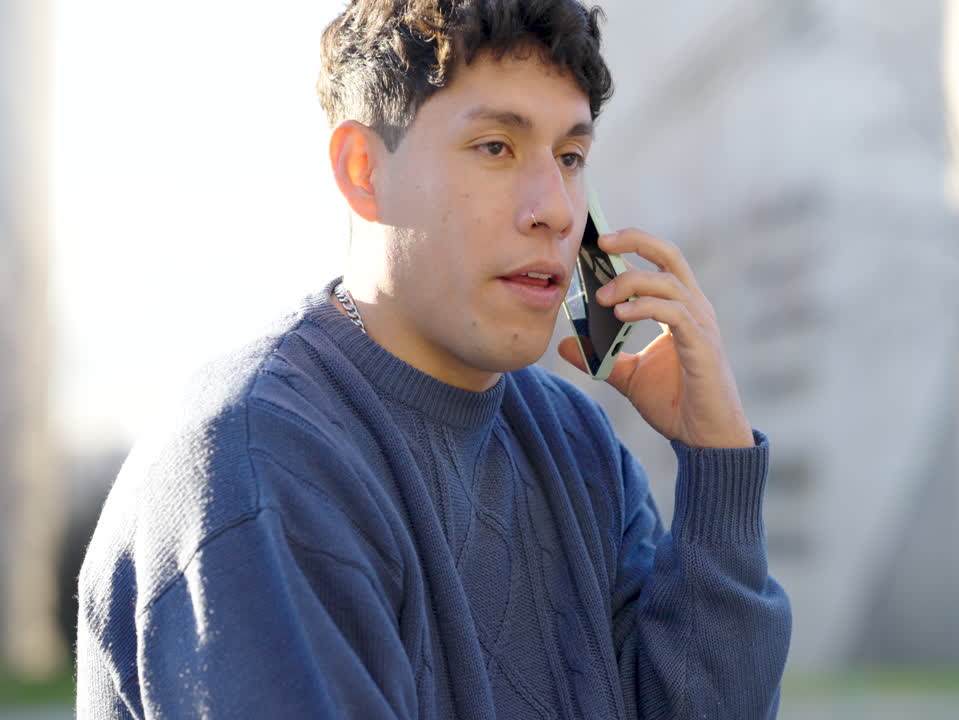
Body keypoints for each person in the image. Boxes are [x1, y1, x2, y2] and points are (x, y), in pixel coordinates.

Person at [76, 1, 791, 717]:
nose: (556, 209)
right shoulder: (257, 461)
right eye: (495, 147)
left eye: (570, 157)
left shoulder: (581, 447)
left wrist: (716, 460)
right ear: (363, 170)